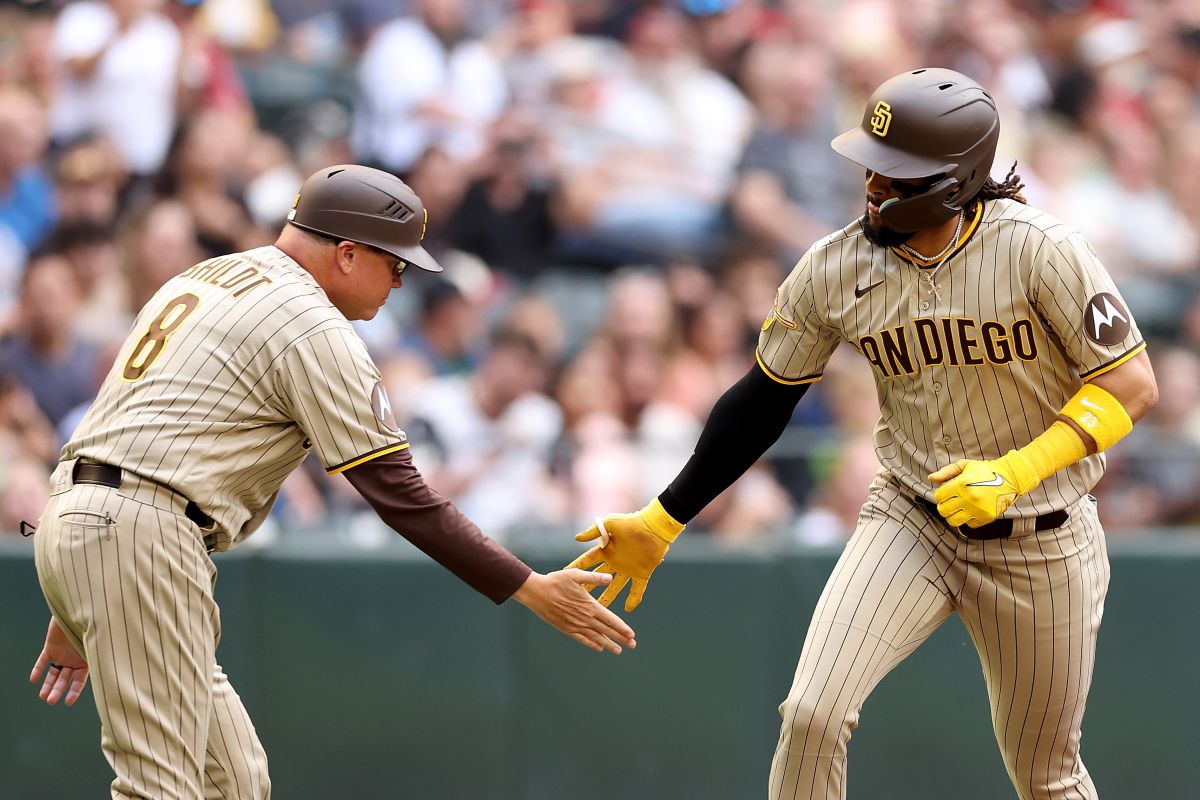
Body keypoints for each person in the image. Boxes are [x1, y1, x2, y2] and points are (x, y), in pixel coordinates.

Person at [569, 68, 1157, 800]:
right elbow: (762, 400)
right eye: (871, 168)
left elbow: (1131, 384)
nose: (874, 186)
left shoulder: (1041, 250)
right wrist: (666, 515)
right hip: (911, 519)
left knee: (1046, 776)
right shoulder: (833, 265)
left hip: (1044, 536)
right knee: (812, 715)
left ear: (953, 182)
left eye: (896, 176)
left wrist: (1016, 472)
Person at [27, 164, 636, 800]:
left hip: (92, 518)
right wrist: (530, 586)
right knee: (160, 789)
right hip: (139, 533)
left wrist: (81, 599)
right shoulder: (309, 321)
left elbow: (125, 431)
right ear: (347, 253)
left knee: (233, 782)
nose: (402, 281)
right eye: (395, 264)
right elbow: (401, 496)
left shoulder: (209, 277)